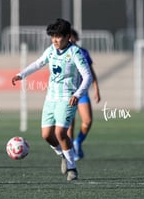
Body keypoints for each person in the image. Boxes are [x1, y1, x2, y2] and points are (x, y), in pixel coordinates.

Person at [11, 18, 92, 181]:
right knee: (47, 135)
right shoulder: (51, 50)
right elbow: (38, 63)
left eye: (58, 36)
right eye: (52, 36)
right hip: (51, 98)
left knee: (60, 132)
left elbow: (87, 76)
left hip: (67, 98)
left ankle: (72, 168)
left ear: (68, 36)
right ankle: (63, 154)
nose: (55, 40)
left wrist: (77, 94)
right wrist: (21, 74)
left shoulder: (75, 52)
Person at [67, 29, 101, 161]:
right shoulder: (63, 53)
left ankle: (77, 142)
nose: (70, 40)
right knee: (69, 125)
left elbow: (91, 73)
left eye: (72, 37)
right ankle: (71, 152)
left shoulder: (83, 52)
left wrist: (97, 90)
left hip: (82, 92)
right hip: (68, 93)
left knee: (87, 121)